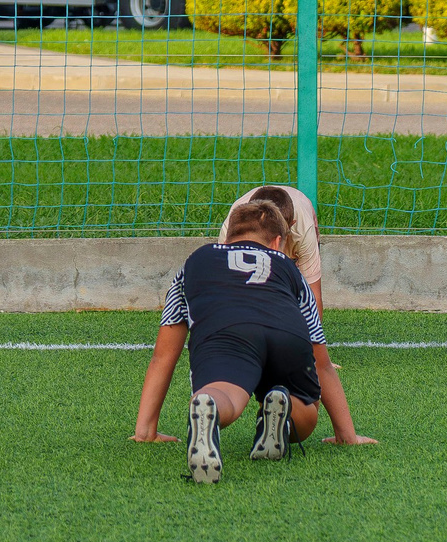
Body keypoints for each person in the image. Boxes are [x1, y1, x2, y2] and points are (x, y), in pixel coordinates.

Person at [132, 198, 372, 482]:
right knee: (306, 408)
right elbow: (323, 365)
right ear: (277, 242)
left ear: (229, 234)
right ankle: (284, 411)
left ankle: (209, 403)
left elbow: (163, 355)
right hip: (286, 334)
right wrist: (347, 435)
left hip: (227, 332)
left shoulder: (195, 262)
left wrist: (145, 431)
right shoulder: (289, 268)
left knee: (225, 394)